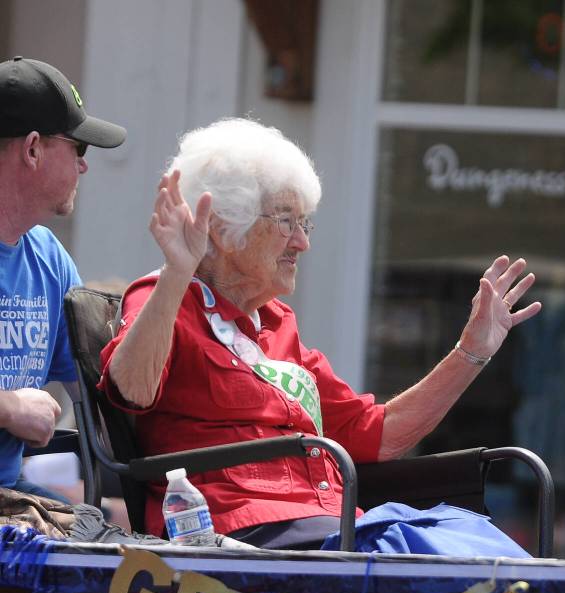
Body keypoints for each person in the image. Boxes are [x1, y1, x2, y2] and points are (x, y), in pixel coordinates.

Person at [99, 118, 541, 550]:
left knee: (473, 539)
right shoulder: (164, 298)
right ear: (222, 228)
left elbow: (378, 434)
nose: (302, 242)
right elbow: (132, 389)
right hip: (240, 531)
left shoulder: (276, 323)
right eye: (286, 221)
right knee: (421, 554)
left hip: (327, 524)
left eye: (304, 223)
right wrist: (178, 273)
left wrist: (471, 353)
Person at [0, 56, 126, 500]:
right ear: (33, 149)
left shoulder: (49, 259)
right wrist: (9, 406)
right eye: (79, 148)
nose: (84, 166)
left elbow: (101, 401)